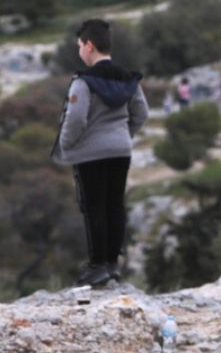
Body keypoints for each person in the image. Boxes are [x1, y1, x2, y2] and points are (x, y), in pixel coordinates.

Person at [51, 19, 149, 287]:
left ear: (89, 45)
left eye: (80, 45)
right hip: (120, 151)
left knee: (93, 207)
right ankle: (112, 264)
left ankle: (96, 267)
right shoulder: (129, 79)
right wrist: (123, 136)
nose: (79, 51)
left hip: (90, 155)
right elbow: (142, 113)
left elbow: (75, 119)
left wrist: (68, 146)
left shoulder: (83, 82)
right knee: (114, 205)